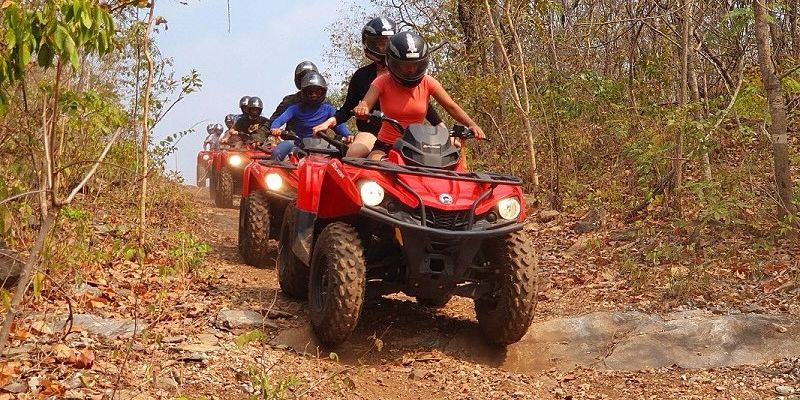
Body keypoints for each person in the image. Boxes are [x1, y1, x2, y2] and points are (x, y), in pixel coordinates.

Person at [312, 17, 444, 157]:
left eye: (389, 42)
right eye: (380, 43)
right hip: (371, 134)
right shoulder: (361, 76)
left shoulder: (411, 75)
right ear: (368, 43)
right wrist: (328, 122)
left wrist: (443, 130)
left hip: (410, 136)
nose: (385, 47)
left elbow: (423, 104)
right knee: (354, 154)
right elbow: (347, 109)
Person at [353, 31, 485, 160]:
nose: (411, 70)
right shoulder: (381, 81)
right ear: (391, 62)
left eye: (416, 65)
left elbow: (451, 106)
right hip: (386, 145)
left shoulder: (428, 81)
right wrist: (362, 108)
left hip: (418, 147)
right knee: (374, 168)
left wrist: (472, 124)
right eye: (404, 66)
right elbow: (366, 103)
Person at [269, 72, 352, 160]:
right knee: (277, 152)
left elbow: (338, 125)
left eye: (318, 92)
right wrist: (275, 128)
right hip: (298, 143)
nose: (314, 95)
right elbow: (279, 120)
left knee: (343, 156)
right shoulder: (294, 108)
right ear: (304, 93)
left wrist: (348, 134)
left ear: (323, 92)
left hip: (322, 145)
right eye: (310, 92)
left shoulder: (329, 109)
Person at [262, 61, 320, 135]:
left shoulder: (325, 103)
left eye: (311, 77)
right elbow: (273, 122)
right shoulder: (290, 101)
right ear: (299, 81)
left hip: (321, 143)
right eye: (304, 78)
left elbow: (336, 121)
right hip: (294, 142)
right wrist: (259, 137)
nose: (308, 81)